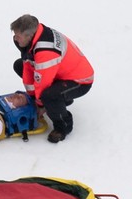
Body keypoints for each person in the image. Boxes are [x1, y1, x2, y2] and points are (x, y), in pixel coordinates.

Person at [10, 15, 93, 143]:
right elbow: (28, 64)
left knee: (48, 96)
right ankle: (60, 101)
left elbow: (42, 82)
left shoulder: (46, 50)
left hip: (80, 81)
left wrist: (39, 105)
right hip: (59, 72)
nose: (15, 38)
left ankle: (63, 126)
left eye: (18, 36)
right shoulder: (33, 37)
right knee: (19, 65)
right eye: (14, 34)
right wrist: (32, 97)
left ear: (29, 36)